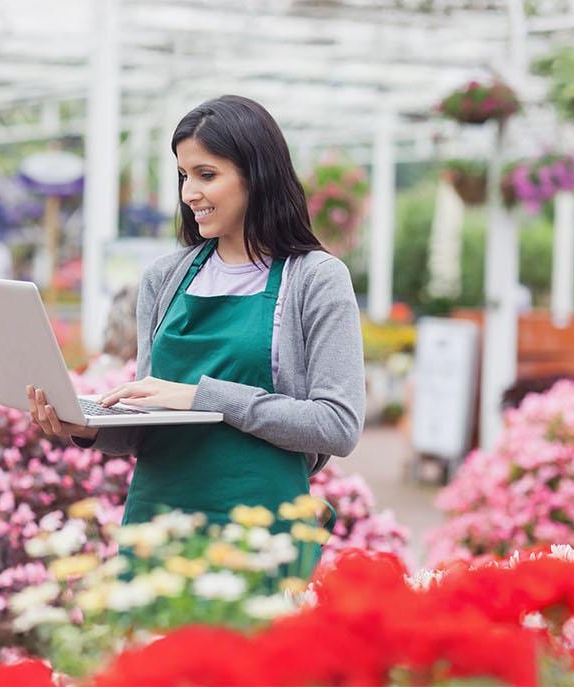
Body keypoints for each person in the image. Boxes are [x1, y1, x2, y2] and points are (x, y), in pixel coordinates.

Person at [26, 95, 365, 542]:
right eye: (184, 176)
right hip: (156, 521)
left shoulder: (315, 279)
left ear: (257, 174)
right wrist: (87, 427)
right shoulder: (165, 278)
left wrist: (202, 397)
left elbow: (337, 425)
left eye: (207, 175)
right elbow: (149, 422)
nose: (189, 193)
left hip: (259, 530)